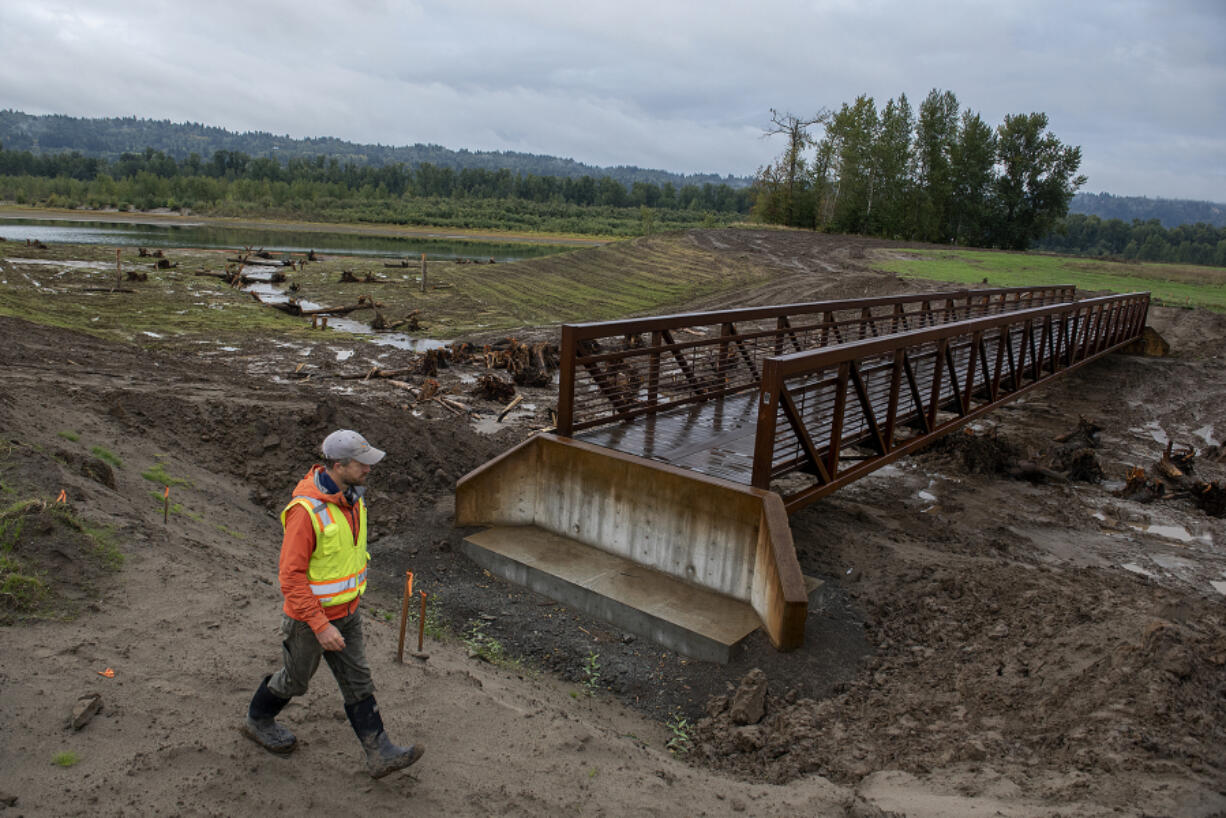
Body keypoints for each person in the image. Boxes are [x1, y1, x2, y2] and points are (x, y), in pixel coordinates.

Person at [241, 429, 424, 778]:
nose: (369, 469)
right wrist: (320, 625)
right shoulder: (305, 511)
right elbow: (291, 578)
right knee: (295, 682)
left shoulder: (354, 498)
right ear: (338, 466)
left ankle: (380, 753)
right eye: (362, 463)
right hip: (309, 622)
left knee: (358, 681)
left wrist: (345, 609)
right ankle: (258, 720)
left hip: (348, 612)